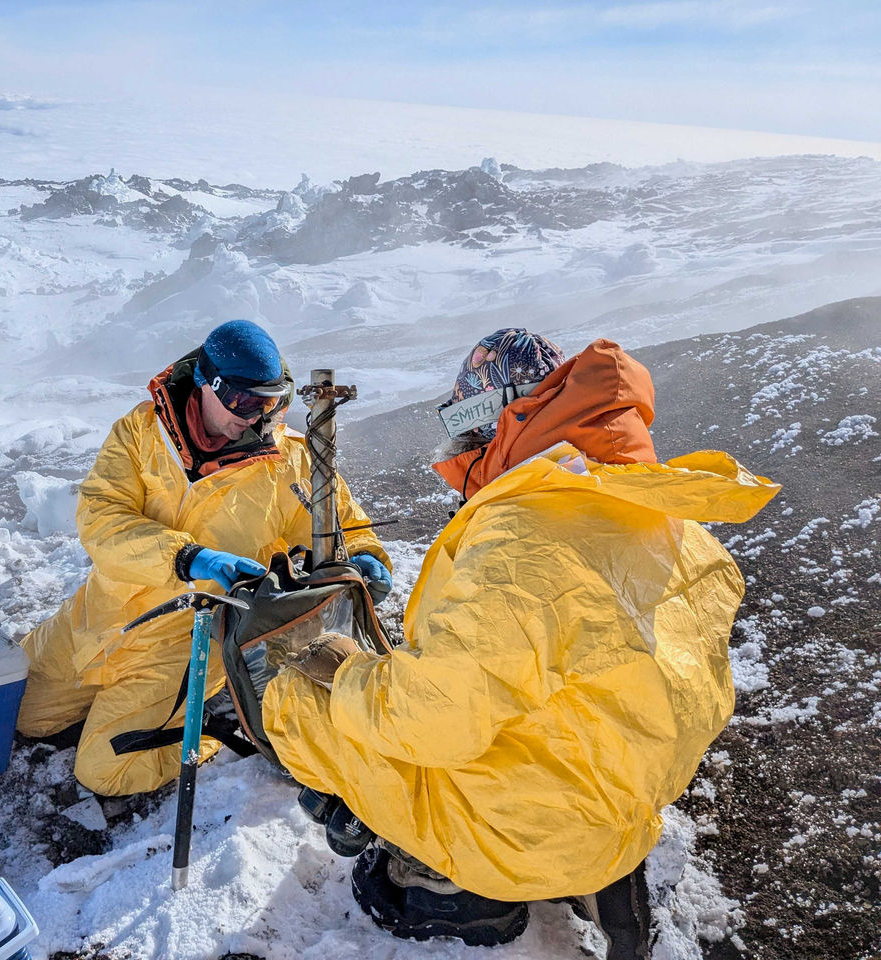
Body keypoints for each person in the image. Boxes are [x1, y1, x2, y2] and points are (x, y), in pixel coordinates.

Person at [264, 328, 780, 956]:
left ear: (493, 414)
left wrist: (341, 674)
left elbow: (435, 718)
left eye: (463, 418)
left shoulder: (519, 542)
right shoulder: (648, 506)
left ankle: (439, 876)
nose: (458, 441)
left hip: (524, 836)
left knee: (298, 702)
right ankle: (578, 861)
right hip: (620, 808)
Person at [18, 319, 391, 797]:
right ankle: (130, 708)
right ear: (203, 383)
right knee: (23, 714)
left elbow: (341, 522)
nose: (255, 417)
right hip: (97, 615)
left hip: (185, 641)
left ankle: (211, 716)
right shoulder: (141, 432)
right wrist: (186, 557)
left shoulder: (288, 462)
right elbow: (101, 517)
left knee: (105, 771)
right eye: (242, 401)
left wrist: (365, 556)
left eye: (271, 402)